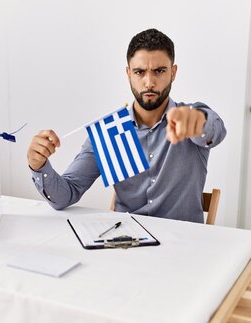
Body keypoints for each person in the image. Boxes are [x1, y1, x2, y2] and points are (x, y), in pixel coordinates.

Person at [26, 28, 226, 223]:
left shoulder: (191, 115)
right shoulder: (111, 131)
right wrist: (39, 165)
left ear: (173, 72)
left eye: (159, 71)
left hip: (185, 244)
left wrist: (198, 123)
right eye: (139, 72)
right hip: (126, 242)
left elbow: (214, 131)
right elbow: (65, 195)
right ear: (128, 73)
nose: (149, 82)